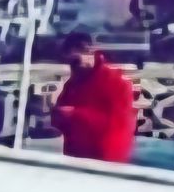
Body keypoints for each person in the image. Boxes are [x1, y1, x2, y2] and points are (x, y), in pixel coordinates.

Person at [50, 30, 138, 162]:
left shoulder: (116, 82)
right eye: (70, 62)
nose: (73, 67)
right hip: (76, 159)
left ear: (89, 52)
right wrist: (57, 115)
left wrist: (75, 114)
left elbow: (117, 124)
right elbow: (59, 121)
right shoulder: (72, 84)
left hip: (105, 160)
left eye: (75, 61)